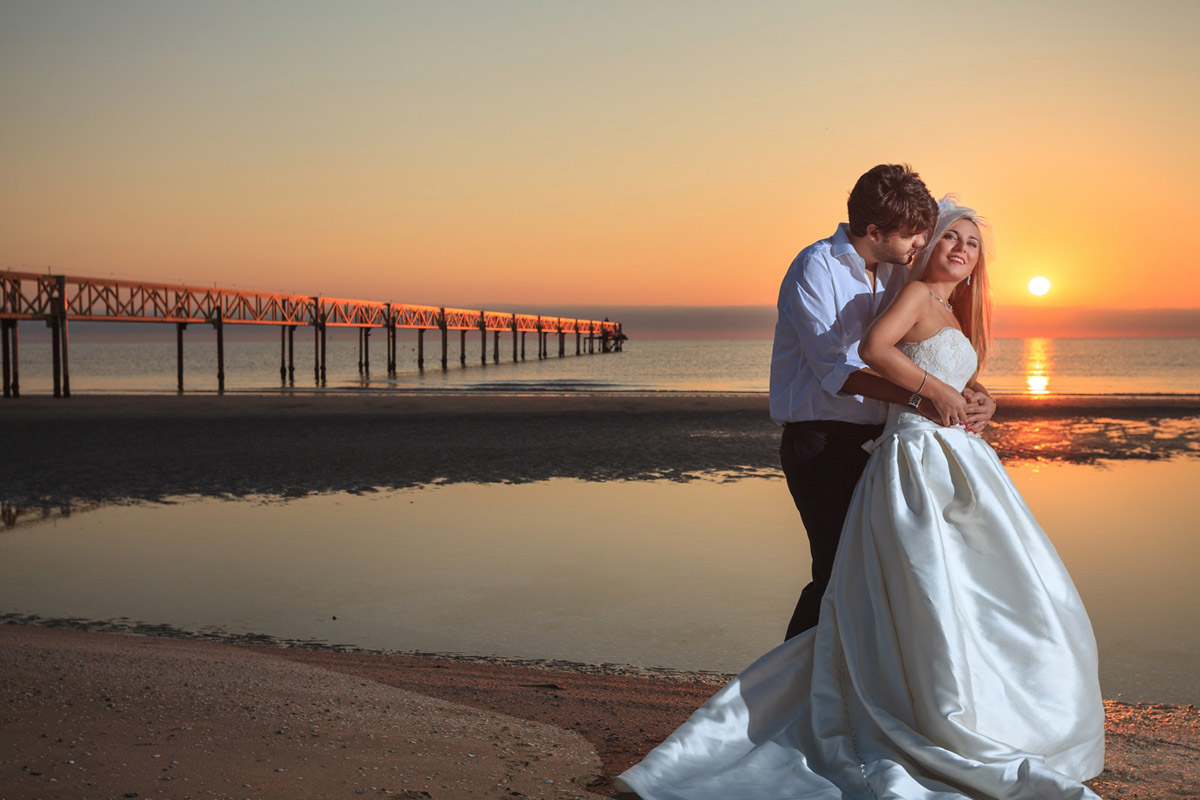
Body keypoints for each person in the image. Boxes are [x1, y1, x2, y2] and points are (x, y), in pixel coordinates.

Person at [614, 197, 1105, 800]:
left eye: (970, 243)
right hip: (852, 443)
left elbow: (949, 374)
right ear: (896, 236)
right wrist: (929, 397)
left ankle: (945, 698)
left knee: (936, 588)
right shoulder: (830, 270)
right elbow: (849, 361)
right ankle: (785, 713)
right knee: (849, 582)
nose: (957, 249)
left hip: (925, 448)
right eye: (947, 237)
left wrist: (983, 399)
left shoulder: (932, 297)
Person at [770, 164, 995, 641]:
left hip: (884, 442)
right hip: (822, 439)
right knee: (835, 571)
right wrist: (928, 395)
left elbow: (922, 351)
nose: (922, 246)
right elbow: (837, 370)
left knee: (883, 573)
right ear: (875, 232)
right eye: (914, 236)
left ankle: (863, 685)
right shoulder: (816, 268)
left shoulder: (894, 274)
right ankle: (787, 688)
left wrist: (975, 395)